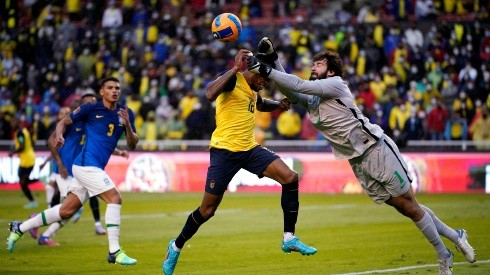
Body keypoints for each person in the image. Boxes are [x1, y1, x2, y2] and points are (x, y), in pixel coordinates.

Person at [247, 38, 476, 275]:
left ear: (331, 70)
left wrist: (264, 68)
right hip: (357, 160)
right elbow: (292, 89)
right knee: (406, 207)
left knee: (410, 205)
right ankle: (455, 235)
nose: (314, 67)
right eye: (313, 63)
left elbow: (298, 84)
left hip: (375, 149)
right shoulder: (313, 101)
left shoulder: (335, 84)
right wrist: (272, 58)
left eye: (319, 64)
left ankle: (443, 255)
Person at [162, 49, 317, 275]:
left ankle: (289, 238)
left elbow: (261, 103)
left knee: (290, 177)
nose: (265, 83)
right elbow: (209, 94)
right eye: (265, 79)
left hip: (249, 149)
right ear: (254, 72)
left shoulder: (252, 91)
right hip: (224, 152)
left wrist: (279, 105)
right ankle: (175, 246)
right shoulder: (232, 79)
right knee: (207, 211)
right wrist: (235, 68)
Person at [7, 76, 139, 266]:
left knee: (66, 211)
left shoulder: (126, 113)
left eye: (117, 88)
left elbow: (133, 144)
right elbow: (63, 122)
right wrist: (59, 135)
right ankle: (114, 251)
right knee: (115, 198)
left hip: (91, 168)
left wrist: (127, 125)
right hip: (85, 166)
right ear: (102, 92)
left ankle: (19, 227)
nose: (114, 91)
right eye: (110, 87)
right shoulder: (90, 109)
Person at [9, 117, 38, 209]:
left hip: (27, 160)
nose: (11, 124)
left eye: (13, 122)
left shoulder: (19, 133)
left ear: (17, 123)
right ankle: (39, 180)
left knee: (22, 182)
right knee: (23, 181)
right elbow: (32, 142)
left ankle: (32, 202)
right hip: (28, 158)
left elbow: (22, 146)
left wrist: (12, 152)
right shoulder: (24, 130)